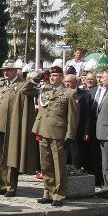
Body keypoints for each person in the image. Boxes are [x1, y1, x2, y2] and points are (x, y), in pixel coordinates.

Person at [0, 59, 35, 197]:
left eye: (9, 70)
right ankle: (2, 185)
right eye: (4, 70)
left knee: (11, 157)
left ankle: (11, 186)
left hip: (13, 126)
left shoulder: (21, 85)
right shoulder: (1, 85)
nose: (6, 72)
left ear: (16, 71)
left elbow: (32, 91)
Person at [31, 65, 78, 206]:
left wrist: (70, 135)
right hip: (43, 131)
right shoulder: (45, 90)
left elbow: (73, 117)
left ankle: (58, 195)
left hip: (58, 134)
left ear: (62, 77)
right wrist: (37, 78)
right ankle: (48, 192)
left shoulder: (69, 93)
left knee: (59, 166)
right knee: (46, 165)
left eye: (55, 75)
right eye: (50, 75)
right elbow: (27, 91)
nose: (52, 78)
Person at [95, 68, 108, 198]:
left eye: (103, 77)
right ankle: (106, 186)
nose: (101, 79)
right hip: (102, 132)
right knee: (105, 162)